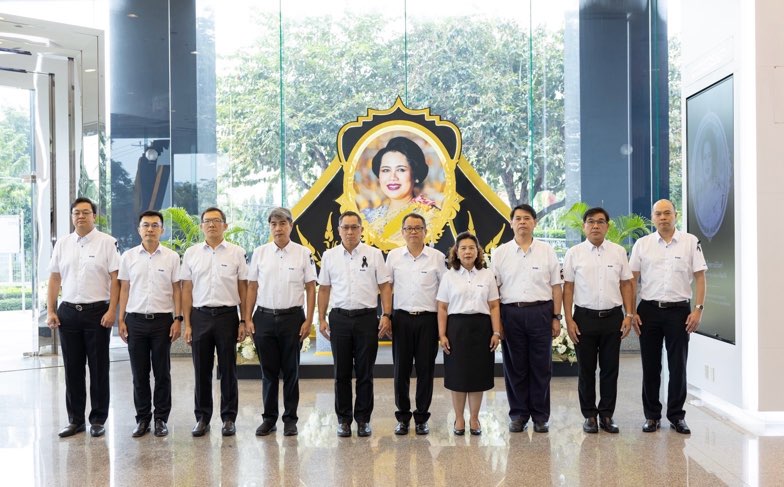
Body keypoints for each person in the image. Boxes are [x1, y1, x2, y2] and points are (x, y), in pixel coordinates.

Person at [629, 199, 707, 435]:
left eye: (667, 213)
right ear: (652, 218)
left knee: (678, 366)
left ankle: (676, 416)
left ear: (675, 215)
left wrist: (698, 309)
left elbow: (700, 277)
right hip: (649, 311)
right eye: (658, 214)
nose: (663, 217)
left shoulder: (690, 242)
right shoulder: (642, 244)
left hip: (679, 312)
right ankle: (652, 416)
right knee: (650, 367)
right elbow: (632, 280)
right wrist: (631, 312)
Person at [47, 197, 120, 438]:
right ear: (72, 216)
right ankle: (75, 420)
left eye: (86, 212)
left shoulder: (107, 242)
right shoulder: (62, 244)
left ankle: (98, 419)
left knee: (99, 368)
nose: (80, 216)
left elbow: (116, 279)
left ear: (94, 216)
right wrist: (51, 310)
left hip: (97, 313)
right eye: (76, 212)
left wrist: (112, 311)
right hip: (68, 313)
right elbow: (55, 278)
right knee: (72, 369)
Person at [317, 211, 392, 438]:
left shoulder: (374, 254)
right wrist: (321, 318)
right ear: (339, 230)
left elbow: (385, 287)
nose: (350, 232)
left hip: (366, 319)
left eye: (354, 227)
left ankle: (363, 420)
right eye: (345, 227)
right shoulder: (329, 256)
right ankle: (343, 420)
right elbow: (324, 289)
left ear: (361, 230)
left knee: (365, 372)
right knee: (341, 373)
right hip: (339, 319)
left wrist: (386, 314)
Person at [244, 207, 317, 437]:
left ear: (290, 226)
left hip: (292, 319)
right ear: (270, 227)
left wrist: (309, 320)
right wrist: (247, 318)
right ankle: (269, 419)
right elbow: (252, 287)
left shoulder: (303, 253)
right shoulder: (260, 253)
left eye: (282, 223)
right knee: (268, 373)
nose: (278, 228)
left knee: (291, 372)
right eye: (274, 224)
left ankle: (290, 420)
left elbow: (311, 288)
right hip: (264, 318)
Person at [491, 204, 563, 433]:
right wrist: (498, 324)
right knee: (515, 367)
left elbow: (556, 287)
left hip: (541, 312)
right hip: (510, 313)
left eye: (527, 218)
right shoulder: (500, 253)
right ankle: (518, 414)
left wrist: (556, 317)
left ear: (534, 223)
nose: (522, 222)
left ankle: (540, 416)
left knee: (541, 367)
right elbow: (494, 291)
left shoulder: (546, 251)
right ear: (511, 223)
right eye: (518, 218)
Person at [562, 207, 634, 434]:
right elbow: (568, 288)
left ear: (607, 226)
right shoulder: (574, 253)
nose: (595, 226)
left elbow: (626, 284)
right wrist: (568, 319)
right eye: (591, 221)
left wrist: (629, 315)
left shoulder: (618, 252)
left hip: (613, 318)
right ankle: (590, 416)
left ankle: (606, 415)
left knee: (610, 369)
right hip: (584, 318)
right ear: (584, 226)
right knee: (586, 370)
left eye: (600, 222)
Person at [181, 207, 249, 437]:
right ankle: (202, 418)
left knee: (228, 369)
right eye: (207, 221)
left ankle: (228, 418)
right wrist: (187, 324)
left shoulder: (237, 253)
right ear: (201, 226)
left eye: (216, 221)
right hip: (200, 316)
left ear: (225, 226)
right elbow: (187, 289)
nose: (211, 224)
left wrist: (243, 320)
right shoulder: (191, 253)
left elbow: (243, 287)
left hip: (227, 316)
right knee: (201, 370)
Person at [117, 210, 182, 437]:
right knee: (139, 374)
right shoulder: (128, 257)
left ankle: (161, 419)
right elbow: (124, 289)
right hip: (135, 321)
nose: (150, 229)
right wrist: (121, 319)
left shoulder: (172, 257)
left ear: (162, 230)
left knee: (162, 373)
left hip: (162, 322)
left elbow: (177, 290)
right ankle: (143, 418)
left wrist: (178, 319)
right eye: (146, 225)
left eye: (155, 225)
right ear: (139, 230)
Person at [386, 213, 446, 435]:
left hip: (428, 320)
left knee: (425, 370)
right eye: (409, 228)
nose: (413, 232)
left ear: (425, 231)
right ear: (402, 232)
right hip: (401, 319)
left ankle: (421, 417)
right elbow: (386, 288)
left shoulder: (437, 257)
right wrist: (387, 315)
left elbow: (445, 291)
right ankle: (403, 417)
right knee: (400, 370)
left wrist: (442, 325)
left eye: (418, 228)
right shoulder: (393, 257)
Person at [436, 232, 502, 436]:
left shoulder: (487, 274)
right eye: (463, 248)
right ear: (456, 252)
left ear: (477, 251)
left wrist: (496, 332)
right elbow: (442, 308)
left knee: (477, 375)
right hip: (456, 329)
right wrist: (442, 335)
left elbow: (494, 306)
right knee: (457, 375)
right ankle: (459, 418)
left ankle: (474, 418)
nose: (467, 252)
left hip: (482, 329)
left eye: (471, 248)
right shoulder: (449, 276)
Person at [362, 136, 439, 236]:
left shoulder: (432, 217)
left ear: (415, 174)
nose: (392, 177)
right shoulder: (367, 218)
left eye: (401, 170)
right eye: (386, 170)